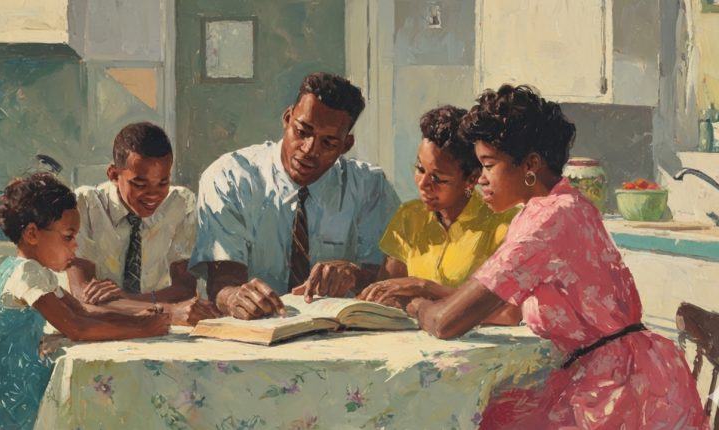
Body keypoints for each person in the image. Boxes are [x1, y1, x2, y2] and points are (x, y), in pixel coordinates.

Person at [362, 84, 706, 428]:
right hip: (623, 375)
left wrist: (416, 305)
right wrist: (429, 290)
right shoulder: (559, 206)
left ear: (530, 165)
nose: (480, 180)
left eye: (488, 165)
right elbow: (499, 307)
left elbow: (446, 323)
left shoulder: (546, 222)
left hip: (623, 396)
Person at [0, 172, 220, 430]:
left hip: (9, 387)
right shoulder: (26, 273)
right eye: (68, 237)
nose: (75, 247)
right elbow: (77, 327)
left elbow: (82, 309)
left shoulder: (31, 271)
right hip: (9, 399)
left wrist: (147, 316)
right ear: (32, 234)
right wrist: (143, 328)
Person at [190, 72, 401, 319]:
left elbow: (389, 280)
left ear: (346, 145)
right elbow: (222, 281)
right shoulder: (229, 177)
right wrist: (235, 297)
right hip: (255, 333)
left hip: (338, 334)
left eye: (329, 143)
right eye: (303, 131)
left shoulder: (370, 186)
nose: (310, 150)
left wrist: (353, 274)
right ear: (287, 118)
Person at [365, 105, 521, 325]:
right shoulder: (409, 217)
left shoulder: (503, 225)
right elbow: (385, 294)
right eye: (420, 169)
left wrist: (424, 288)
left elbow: (511, 313)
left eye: (438, 179)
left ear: (472, 179)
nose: (423, 185)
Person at [69, 122, 198, 306]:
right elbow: (82, 293)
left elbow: (185, 291)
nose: (153, 194)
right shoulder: (86, 204)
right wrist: (155, 304)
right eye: (140, 184)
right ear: (113, 175)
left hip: (161, 327)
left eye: (163, 183)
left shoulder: (181, 203)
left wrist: (129, 301)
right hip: (104, 325)